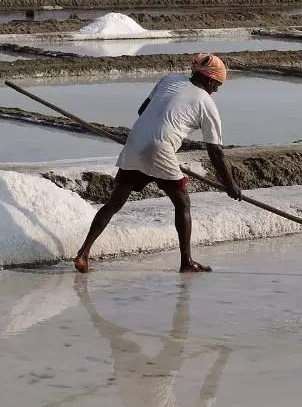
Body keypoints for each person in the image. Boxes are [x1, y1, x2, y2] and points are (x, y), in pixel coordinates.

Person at [73, 54, 241, 273]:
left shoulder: (170, 80)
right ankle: (186, 262)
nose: (216, 90)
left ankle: (83, 254)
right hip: (159, 148)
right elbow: (216, 152)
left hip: (136, 140)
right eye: (217, 85)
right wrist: (230, 185)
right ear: (210, 80)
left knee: (113, 204)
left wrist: (153, 131)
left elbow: (143, 110)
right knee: (183, 204)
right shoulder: (206, 103)